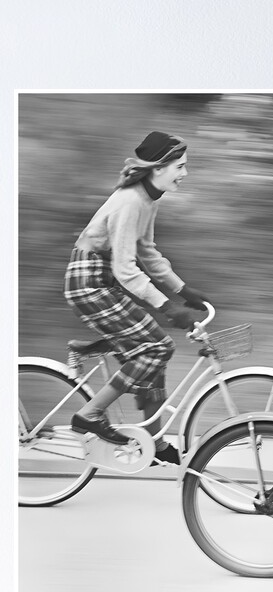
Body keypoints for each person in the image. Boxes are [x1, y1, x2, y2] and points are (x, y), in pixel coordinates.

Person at [64, 131, 209, 464]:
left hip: (101, 281)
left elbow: (147, 252)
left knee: (153, 356)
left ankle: (154, 444)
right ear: (159, 167)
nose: (184, 174)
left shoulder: (147, 199)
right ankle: (91, 414)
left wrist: (182, 289)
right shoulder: (130, 201)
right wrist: (168, 307)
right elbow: (127, 269)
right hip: (88, 283)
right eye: (180, 166)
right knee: (159, 347)